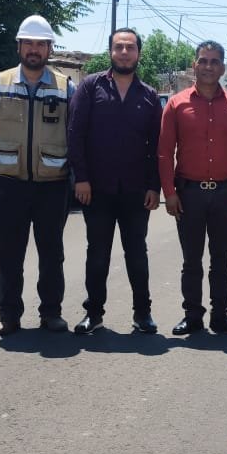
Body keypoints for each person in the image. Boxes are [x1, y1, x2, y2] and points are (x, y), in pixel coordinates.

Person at [0, 14, 73, 337]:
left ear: (50, 49)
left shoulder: (66, 87)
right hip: (9, 183)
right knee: (8, 253)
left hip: (53, 185)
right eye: (29, 43)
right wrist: (1, 151)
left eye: (41, 44)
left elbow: (73, 130)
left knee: (52, 253)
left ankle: (51, 313)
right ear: (19, 46)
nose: (34, 49)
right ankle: (8, 315)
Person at [67, 28, 163, 335]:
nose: (124, 52)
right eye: (119, 47)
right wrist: (81, 178)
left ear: (138, 53)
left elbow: (157, 146)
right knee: (97, 254)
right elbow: (75, 134)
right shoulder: (91, 87)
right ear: (110, 51)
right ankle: (93, 314)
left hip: (136, 191)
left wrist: (154, 186)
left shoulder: (149, 96)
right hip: (97, 190)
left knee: (137, 254)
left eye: (130, 47)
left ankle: (143, 314)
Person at [158, 40, 227, 336]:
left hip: (225, 194)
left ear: (223, 68)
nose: (208, 66)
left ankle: (220, 316)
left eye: (214, 61)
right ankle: (192, 316)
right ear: (194, 65)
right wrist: (169, 193)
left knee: (221, 261)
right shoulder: (176, 104)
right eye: (203, 60)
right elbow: (164, 152)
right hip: (189, 194)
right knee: (191, 261)